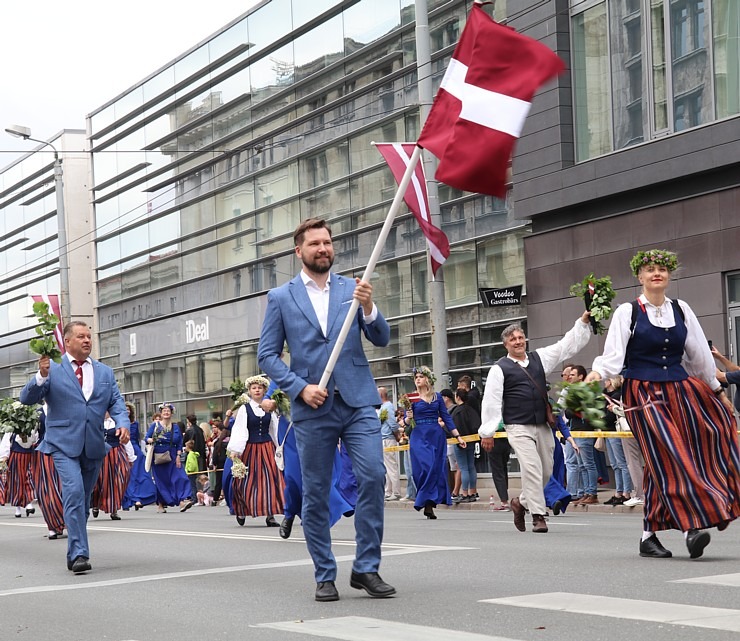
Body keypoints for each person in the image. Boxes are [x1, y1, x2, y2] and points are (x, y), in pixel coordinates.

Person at [257, 217, 395, 602]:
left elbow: (381, 338)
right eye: (315, 243)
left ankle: (367, 568)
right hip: (312, 409)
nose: (324, 249)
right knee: (316, 493)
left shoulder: (353, 288)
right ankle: (324, 573)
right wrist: (300, 389)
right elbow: (266, 355)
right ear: (298, 251)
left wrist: (369, 309)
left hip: (357, 401)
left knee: (371, 477)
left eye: (328, 242)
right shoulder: (281, 298)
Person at [587, 249, 740, 559]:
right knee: (672, 452)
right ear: (640, 277)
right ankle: (691, 527)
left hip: (680, 390)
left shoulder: (681, 309)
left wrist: (717, 391)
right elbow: (614, 354)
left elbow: (697, 355)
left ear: (669, 276)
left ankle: (648, 536)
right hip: (643, 392)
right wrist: (597, 373)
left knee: (680, 452)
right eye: (650, 269)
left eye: (661, 269)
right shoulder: (628, 312)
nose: (656, 273)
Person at [19, 321, 130, 573]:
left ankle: (75, 547)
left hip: (93, 445)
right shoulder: (53, 369)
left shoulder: (104, 372)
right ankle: (80, 553)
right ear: (67, 342)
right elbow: (26, 398)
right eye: (81, 336)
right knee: (74, 493)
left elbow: (117, 403)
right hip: (62, 444)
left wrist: (123, 423)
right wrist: (41, 376)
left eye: (89, 336)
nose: (87, 340)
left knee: (83, 500)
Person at [479, 312, 592, 533]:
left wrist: (584, 321)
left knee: (546, 472)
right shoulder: (499, 368)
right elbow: (491, 400)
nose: (518, 342)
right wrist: (488, 432)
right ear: (506, 344)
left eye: (520, 337)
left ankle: (520, 503)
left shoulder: (539, 358)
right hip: (517, 425)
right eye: (513, 339)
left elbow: (565, 346)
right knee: (531, 468)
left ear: (525, 340)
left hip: (541, 424)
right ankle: (539, 516)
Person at [407, 367, 466, 519]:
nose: (418, 379)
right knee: (423, 469)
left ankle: (428, 505)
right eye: (416, 377)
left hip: (436, 435)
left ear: (428, 379)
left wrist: (458, 436)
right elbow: (405, 421)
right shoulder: (411, 398)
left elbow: (446, 418)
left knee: (436, 469)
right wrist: (408, 417)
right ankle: (424, 499)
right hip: (419, 435)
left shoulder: (437, 397)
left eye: (421, 376)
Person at [226, 375, 283, 527]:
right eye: (254, 388)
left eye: (260, 387)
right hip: (250, 448)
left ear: (265, 390)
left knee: (271, 480)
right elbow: (239, 430)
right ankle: (242, 510)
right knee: (245, 481)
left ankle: (270, 514)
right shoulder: (244, 409)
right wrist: (236, 450)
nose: (257, 390)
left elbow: (274, 429)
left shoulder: (269, 407)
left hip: (267, 447)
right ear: (249, 391)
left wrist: (279, 447)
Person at [145, 403, 192, 514]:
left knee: (179, 477)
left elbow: (180, 442)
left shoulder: (175, 427)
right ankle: (161, 504)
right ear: (161, 413)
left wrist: (178, 456)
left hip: (172, 454)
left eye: (168, 411)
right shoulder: (155, 425)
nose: (166, 413)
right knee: (161, 480)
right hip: (158, 455)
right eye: (164, 411)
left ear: (171, 413)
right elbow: (147, 437)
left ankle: (182, 501)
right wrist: (150, 440)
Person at [564, 365, 599, 505]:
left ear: (581, 377)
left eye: (573, 374)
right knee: (581, 465)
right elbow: (567, 412)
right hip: (575, 431)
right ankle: (585, 492)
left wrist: (575, 410)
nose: (570, 377)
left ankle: (592, 492)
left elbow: (586, 411)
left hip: (585, 431)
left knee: (588, 463)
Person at [92, 412, 135, 521]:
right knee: (99, 481)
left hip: (116, 452)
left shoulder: (117, 422)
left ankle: (114, 509)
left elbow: (126, 440)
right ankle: (96, 504)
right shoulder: (95, 421)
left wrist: (130, 457)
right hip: (100, 453)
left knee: (118, 479)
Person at [601, 376, 633, 505]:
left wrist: (602, 417)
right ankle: (618, 491)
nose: (604, 381)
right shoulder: (607, 395)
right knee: (615, 464)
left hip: (615, 431)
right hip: (609, 431)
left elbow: (610, 416)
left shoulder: (617, 395)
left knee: (621, 463)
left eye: (607, 379)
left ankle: (626, 492)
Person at [122, 403, 156, 511]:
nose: (127, 411)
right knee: (127, 476)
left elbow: (137, 438)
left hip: (136, 450)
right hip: (124, 448)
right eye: (125, 409)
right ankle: (128, 500)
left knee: (140, 475)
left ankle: (139, 498)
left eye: (129, 410)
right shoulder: (120, 423)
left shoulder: (135, 424)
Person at [452, 388, 480, 503]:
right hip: (472, 440)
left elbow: (453, 427)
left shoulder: (457, 411)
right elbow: (477, 424)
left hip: (460, 441)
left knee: (463, 468)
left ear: (458, 397)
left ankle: (464, 493)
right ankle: (473, 491)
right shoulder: (470, 409)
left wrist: (458, 439)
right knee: (471, 466)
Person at [378, 387, 402, 501]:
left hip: (388, 438)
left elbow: (392, 423)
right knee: (386, 467)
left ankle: (396, 492)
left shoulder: (387, 407)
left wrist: (397, 435)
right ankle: (388, 491)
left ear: (381, 395)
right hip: (383, 438)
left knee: (391, 466)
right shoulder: (384, 407)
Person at [184, 440, 201, 505]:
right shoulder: (193, 454)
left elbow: (191, 464)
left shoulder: (190, 455)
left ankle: (194, 498)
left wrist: (189, 470)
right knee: (193, 485)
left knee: (192, 485)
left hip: (191, 472)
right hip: (193, 472)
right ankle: (193, 497)